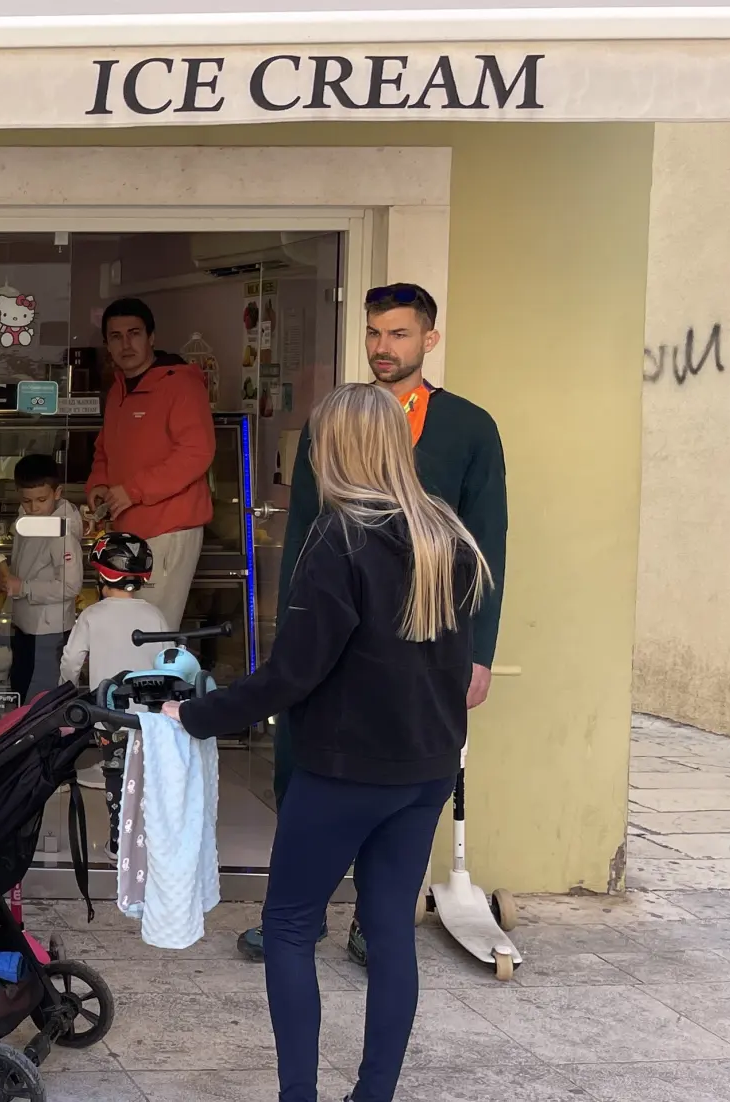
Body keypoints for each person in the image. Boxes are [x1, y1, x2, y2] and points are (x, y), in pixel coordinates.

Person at [165, 381, 493, 1102]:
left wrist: (193, 717)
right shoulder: (446, 534)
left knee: (286, 928)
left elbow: (293, 674)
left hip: (345, 771)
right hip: (428, 767)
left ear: (334, 448)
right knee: (390, 933)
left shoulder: (338, 537)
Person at [238, 283, 508, 966]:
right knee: (303, 763)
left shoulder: (468, 428)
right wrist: (293, 635)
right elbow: (304, 528)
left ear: (429, 340)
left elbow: (488, 544)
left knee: (399, 774)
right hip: (335, 626)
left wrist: (479, 652)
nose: (382, 347)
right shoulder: (335, 421)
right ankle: (294, 916)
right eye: (373, 333)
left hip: (424, 640)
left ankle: (373, 918)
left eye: (398, 334)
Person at [84, 298, 216, 630]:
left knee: (150, 637)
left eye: (134, 334)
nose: (126, 344)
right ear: (107, 344)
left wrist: (133, 490)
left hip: (168, 531)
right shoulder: (119, 390)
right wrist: (99, 485)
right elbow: (105, 449)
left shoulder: (181, 384)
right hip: (127, 531)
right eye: (115, 336)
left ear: (151, 337)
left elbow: (197, 452)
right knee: (125, 635)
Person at [59, 532, 170, 795]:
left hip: (106, 714)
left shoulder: (91, 615)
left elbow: (71, 660)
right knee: (142, 772)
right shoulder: (155, 615)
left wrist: (64, 692)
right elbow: (168, 661)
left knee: (114, 772)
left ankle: (118, 819)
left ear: (102, 576)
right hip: (148, 717)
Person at [0, 454, 83, 703]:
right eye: (27, 500)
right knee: (22, 689)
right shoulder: (27, 517)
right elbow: (29, 564)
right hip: (25, 624)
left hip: (48, 630)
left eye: (41, 500)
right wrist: (6, 579)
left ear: (57, 492)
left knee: (40, 697)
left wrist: (23, 586)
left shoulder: (62, 531)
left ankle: (42, 742)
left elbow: (70, 584)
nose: (34, 507)